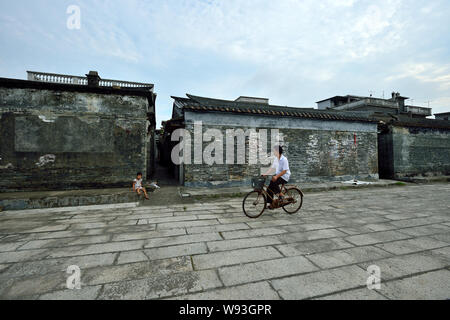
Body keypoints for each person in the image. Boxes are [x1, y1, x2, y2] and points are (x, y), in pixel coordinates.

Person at [262, 145, 291, 209]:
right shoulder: (276, 159)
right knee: (269, 188)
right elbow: (272, 168)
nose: (273, 152)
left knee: (273, 182)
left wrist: (276, 176)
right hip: (278, 176)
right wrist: (265, 174)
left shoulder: (284, 159)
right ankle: (271, 203)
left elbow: (285, 171)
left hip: (285, 176)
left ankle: (281, 195)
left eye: (274, 151)